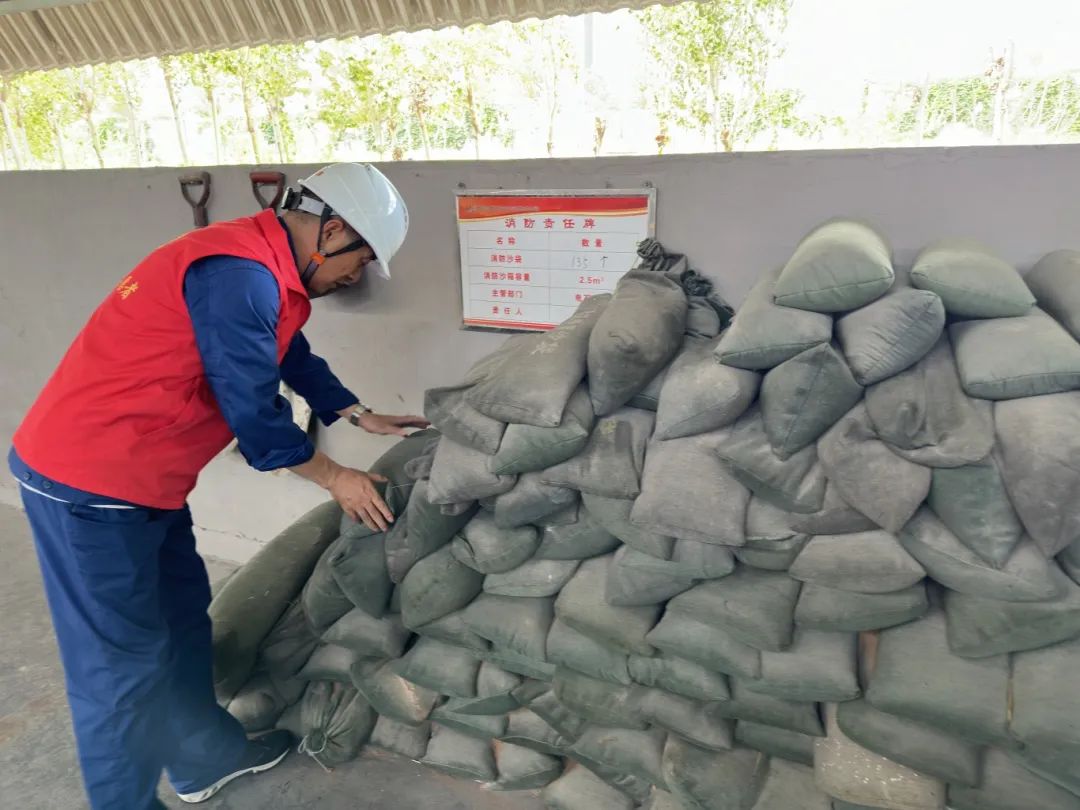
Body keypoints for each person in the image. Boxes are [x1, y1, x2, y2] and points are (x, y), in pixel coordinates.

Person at [8, 163, 429, 809]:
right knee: (118, 668)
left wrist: (353, 411)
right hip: (87, 485)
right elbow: (254, 411)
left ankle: (203, 759)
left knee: (181, 626)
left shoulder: (264, 267)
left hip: (148, 482)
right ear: (332, 230)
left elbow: (287, 351)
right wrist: (335, 477)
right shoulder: (237, 272)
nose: (356, 276)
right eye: (362, 258)